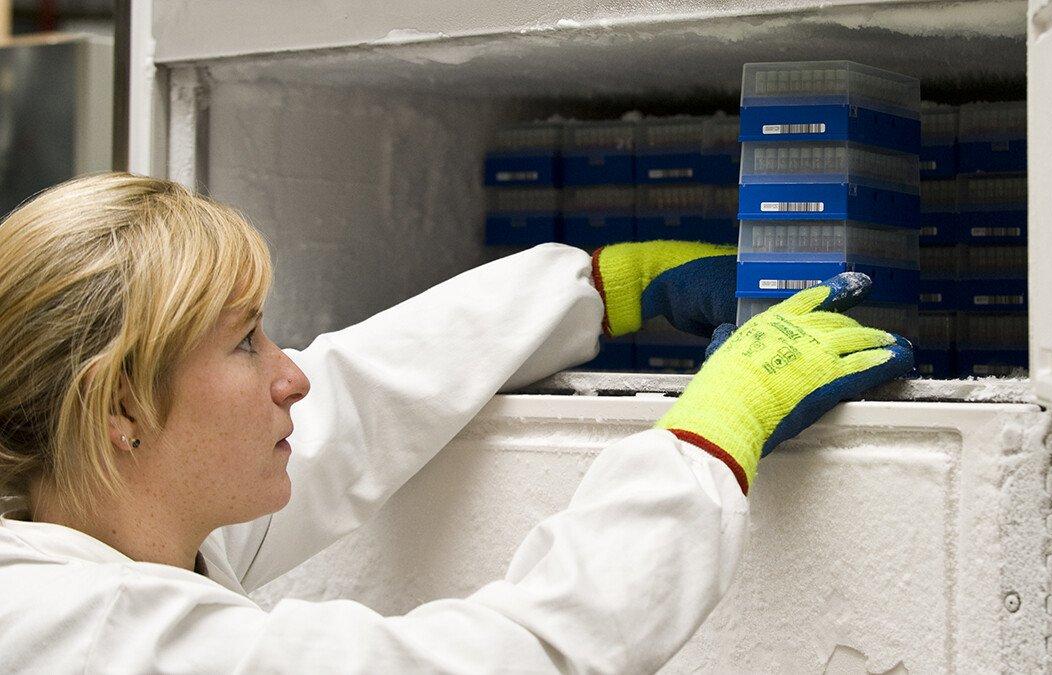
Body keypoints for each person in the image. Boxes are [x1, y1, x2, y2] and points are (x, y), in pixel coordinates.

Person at [0, 172, 912, 672]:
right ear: (120, 408)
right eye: (245, 344)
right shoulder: (93, 638)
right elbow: (507, 660)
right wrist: (710, 435)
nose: (292, 377)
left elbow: (360, 398)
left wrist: (604, 287)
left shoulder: (98, 519)